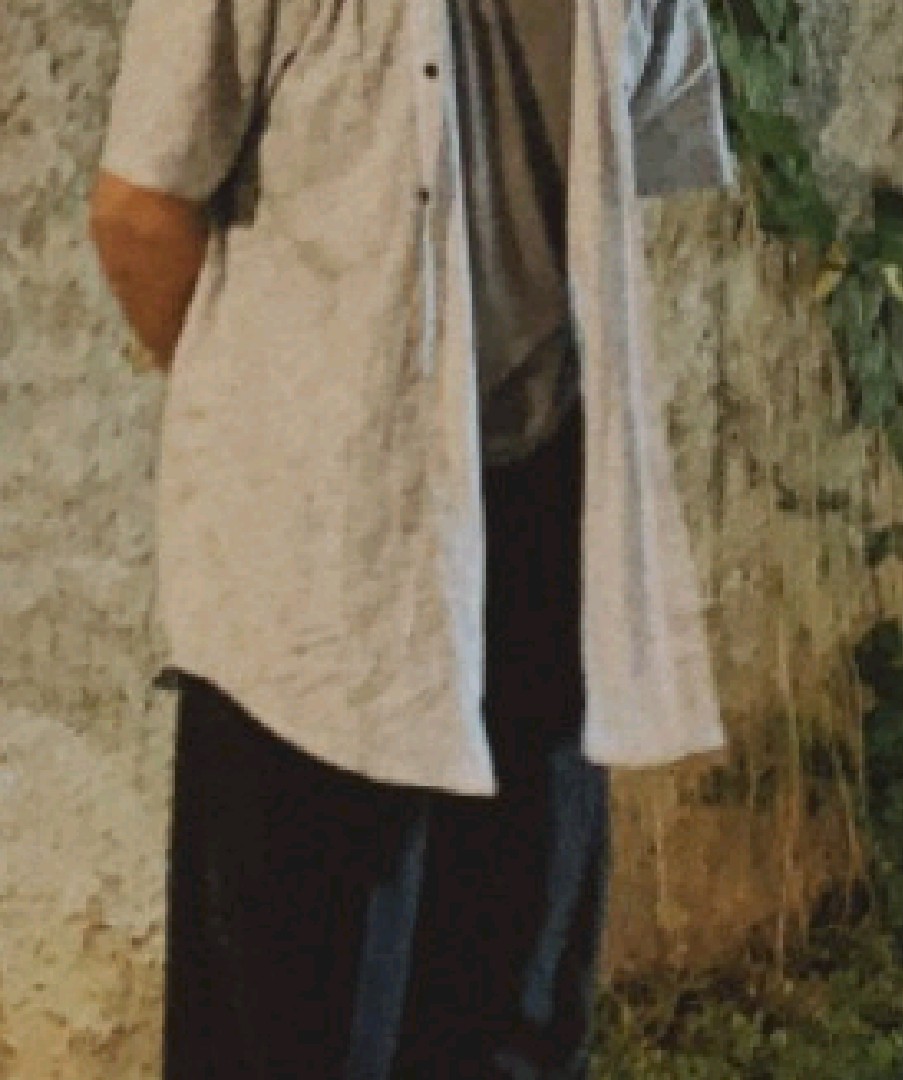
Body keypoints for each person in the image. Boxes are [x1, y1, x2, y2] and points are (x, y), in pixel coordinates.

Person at [88, 0, 738, 1076]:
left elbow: (637, 127)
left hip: (543, 509)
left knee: (513, 999)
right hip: (322, 550)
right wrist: (286, 436)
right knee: (296, 1019)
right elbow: (140, 212)